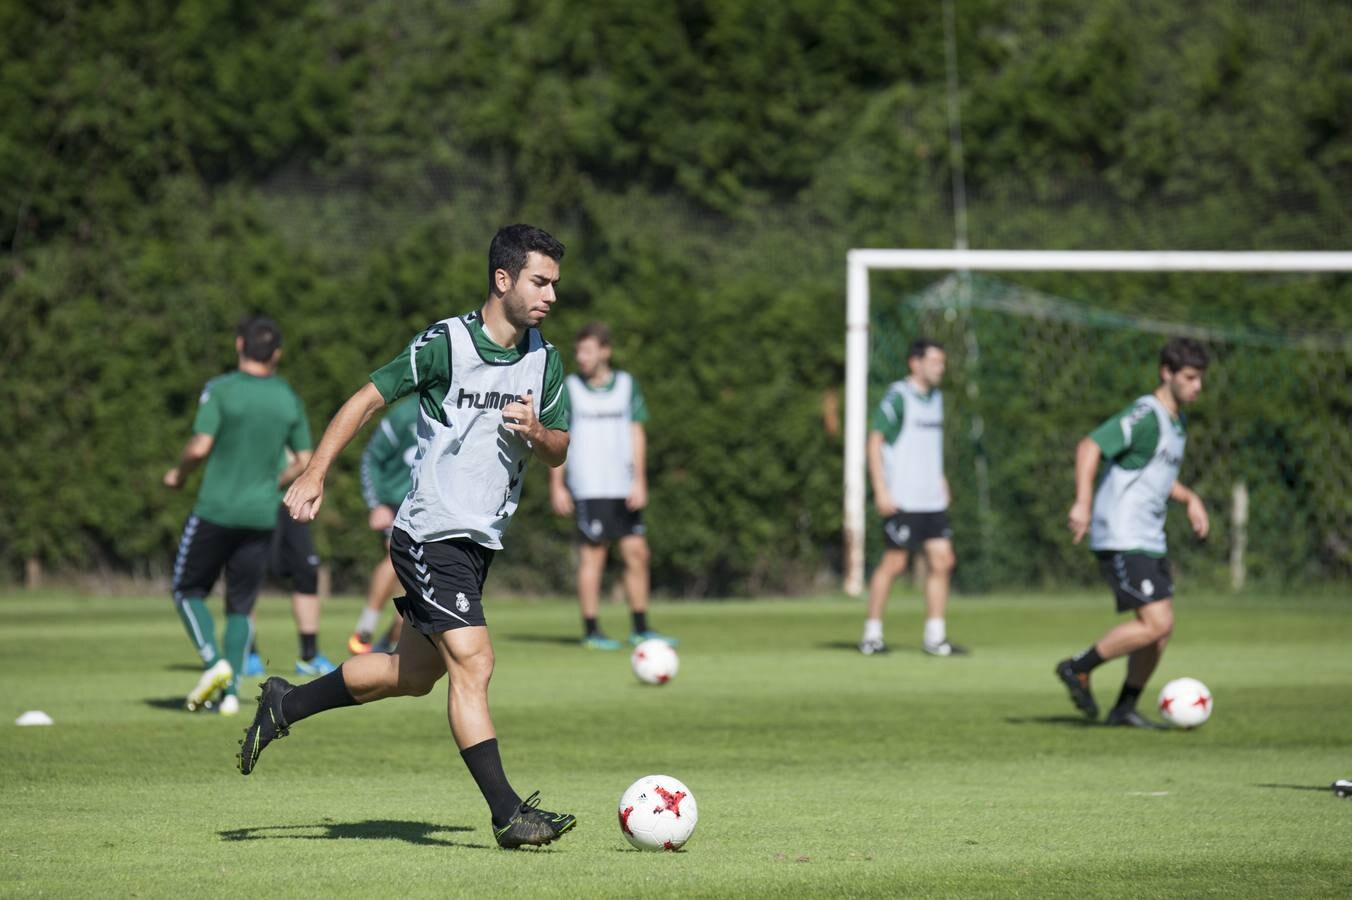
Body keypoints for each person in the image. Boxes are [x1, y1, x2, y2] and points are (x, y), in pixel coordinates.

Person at [239, 224, 577, 850]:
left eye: (555, 283)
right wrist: (315, 473)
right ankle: (508, 815)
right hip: (429, 534)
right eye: (540, 281)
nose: (551, 294)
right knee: (474, 663)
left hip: (478, 544)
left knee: (413, 675)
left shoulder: (545, 360)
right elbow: (365, 399)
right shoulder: (446, 343)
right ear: (502, 280)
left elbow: (559, 450)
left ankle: (285, 704)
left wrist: (536, 431)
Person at [1056, 338, 1211, 728]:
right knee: (1157, 623)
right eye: (1190, 378)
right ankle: (1078, 667)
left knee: (1159, 632)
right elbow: (1090, 445)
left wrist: (1189, 497)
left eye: (1200, 379)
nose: (1197, 387)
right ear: (1167, 373)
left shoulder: (1177, 423)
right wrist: (1082, 501)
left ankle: (1124, 708)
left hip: (1149, 536)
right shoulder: (1147, 413)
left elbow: (1155, 477)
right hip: (1122, 532)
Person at [164, 315, 313, 715]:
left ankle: (214, 664)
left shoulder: (222, 390)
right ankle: (230, 696)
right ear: (277, 353)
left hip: (215, 509)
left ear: (238, 345)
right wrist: (272, 483)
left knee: (186, 590)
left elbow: (198, 447)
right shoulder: (287, 398)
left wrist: (178, 473)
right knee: (241, 605)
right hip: (261, 515)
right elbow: (305, 460)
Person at [548, 322, 674, 650]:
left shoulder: (627, 385)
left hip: (623, 485)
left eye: (588, 350)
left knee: (638, 553)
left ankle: (641, 628)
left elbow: (636, 432)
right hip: (589, 487)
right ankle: (592, 631)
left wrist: (640, 480)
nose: (582, 357)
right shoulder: (570, 388)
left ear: (605, 351)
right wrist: (557, 485)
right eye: (578, 351)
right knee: (595, 557)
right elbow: (557, 437)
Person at [858, 339, 966, 657]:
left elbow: (926, 447)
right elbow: (874, 441)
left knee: (943, 561)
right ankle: (872, 635)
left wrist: (941, 480)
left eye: (942, 363)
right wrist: (880, 488)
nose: (940, 368)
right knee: (894, 562)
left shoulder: (936, 400)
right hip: (903, 498)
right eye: (934, 362)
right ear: (914, 363)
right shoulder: (898, 398)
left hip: (931, 499)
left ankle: (935, 637)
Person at [349, 396, 419, 654]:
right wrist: (376, 503)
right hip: (397, 503)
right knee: (396, 556)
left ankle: (390, 642)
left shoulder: (461, 408)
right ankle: (365, 628)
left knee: (421, 582)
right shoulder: (404, 414)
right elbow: (371, 458)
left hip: (434, 507)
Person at [242, 489, 336, 677]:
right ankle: (247, 653)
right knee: (246, 575)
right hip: (251, 502)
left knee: (307, 572)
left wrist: (309, 490)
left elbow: (306, 464)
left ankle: (309, 656)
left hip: (290, 503)